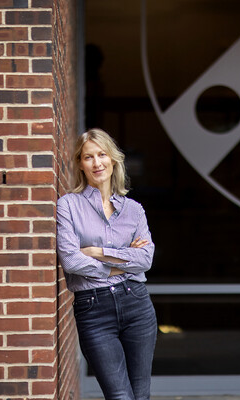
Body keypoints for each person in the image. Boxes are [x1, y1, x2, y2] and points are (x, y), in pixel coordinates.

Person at [56, 128, 157, 400]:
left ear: (113, 160)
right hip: (93, 309)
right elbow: (70, 258)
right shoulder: (69, 206)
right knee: (120, 396)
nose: (97, 163)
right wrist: (121, 261)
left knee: (140, 395)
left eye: (102, 155)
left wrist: (97, 251)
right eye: (88, 157)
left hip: (136, 304)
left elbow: (145, 259)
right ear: (80, 163)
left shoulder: (134, 210)